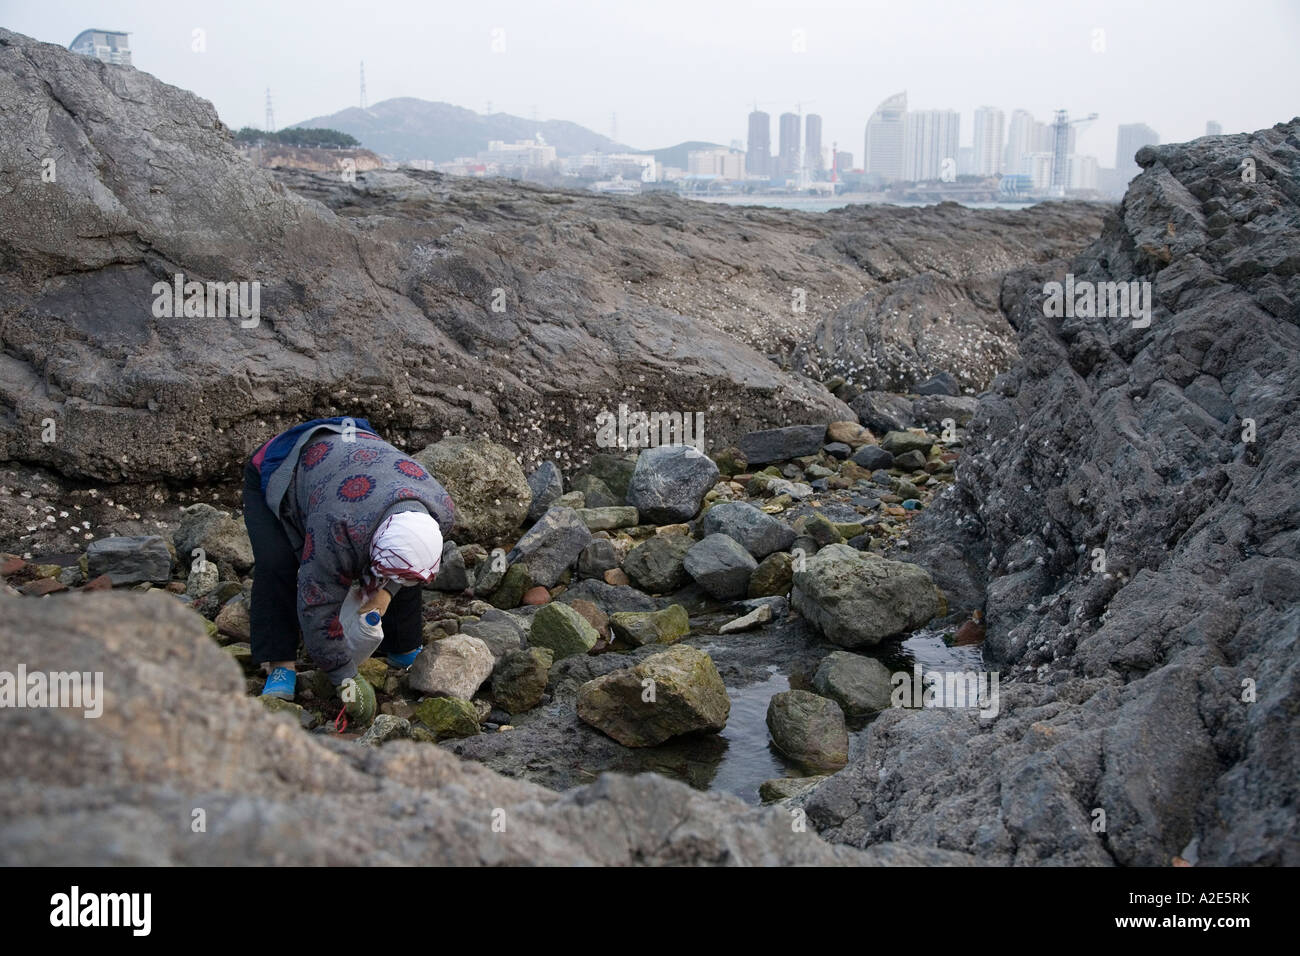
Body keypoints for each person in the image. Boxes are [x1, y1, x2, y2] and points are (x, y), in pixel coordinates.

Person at [241, 416, 455, 703]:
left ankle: (402, 645)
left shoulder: (439, 510)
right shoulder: (337, 528)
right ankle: (280, 664)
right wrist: (344, 676)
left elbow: (407, 567)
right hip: (282, 468)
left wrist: (384, 594)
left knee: (407, 562)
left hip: (355, 464)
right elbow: (317, 601)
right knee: (277, 564)